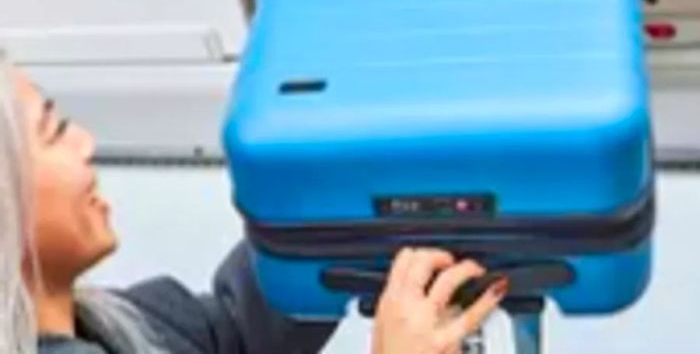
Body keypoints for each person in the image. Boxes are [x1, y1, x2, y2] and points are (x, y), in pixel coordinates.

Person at [0, 59, 508, 354]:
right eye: (55, 132)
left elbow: (239, 328)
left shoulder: (122, 324)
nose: (85, 143)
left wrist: (339, 197)